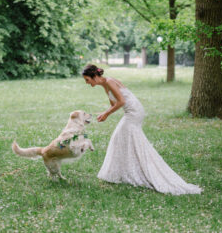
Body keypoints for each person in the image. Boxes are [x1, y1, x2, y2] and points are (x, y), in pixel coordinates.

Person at [82, 64, 202, 195]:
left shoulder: (109, 81)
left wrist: (106, 113)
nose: (87, 83)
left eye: (87, 79)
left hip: (134, 111)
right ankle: (123, 171)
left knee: (123, 137)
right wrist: (105, 111)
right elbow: (114, 102)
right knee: (120, 137)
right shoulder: (105, 84)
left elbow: (121, 102)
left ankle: (139, 171)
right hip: (131, 111)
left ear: (94, 76)